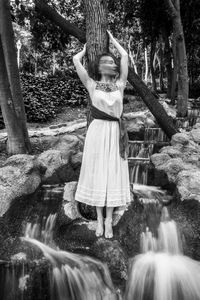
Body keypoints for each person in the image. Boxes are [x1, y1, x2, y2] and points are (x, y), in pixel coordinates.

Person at [73, 30, 131, 239]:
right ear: (98, 67)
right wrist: (84, 50)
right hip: (97, 132)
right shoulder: (92, 84)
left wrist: (114, 40)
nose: (108, 62)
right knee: (98, 172)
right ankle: (99, 219)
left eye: (110, 60)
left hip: (115, 132)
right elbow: (75, 60)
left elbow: (124, 56)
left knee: (112, 172)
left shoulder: (120, 85)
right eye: (104, 60)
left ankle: (108, 220)